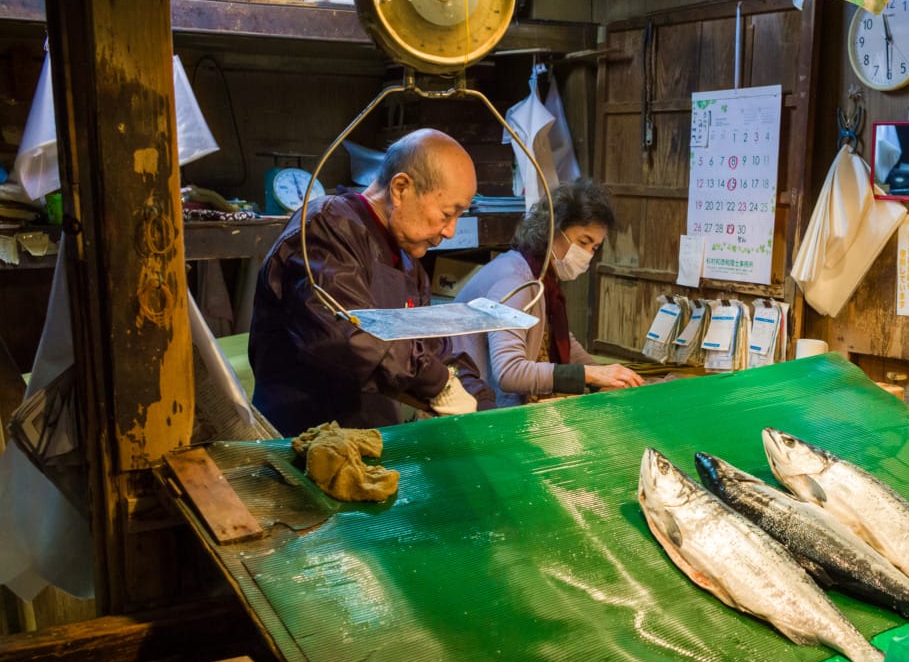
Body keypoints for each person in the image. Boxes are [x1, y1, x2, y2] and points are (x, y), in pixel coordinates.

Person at [248, 128, 495, 436]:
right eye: (447, 214)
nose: (450, 232)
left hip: (372, 440)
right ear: (401, 188)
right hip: (303, 443)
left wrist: (480, 402)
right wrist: (439, 382)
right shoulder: (326, 228)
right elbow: (346, 336)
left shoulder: (408, 262)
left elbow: (434, 346)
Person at [453, 179, 643, 408]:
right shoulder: (516, 281)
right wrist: (589, 375)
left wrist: (604, 376)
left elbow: (562, 340)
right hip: (471, 408)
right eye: (583, 241)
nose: (587, 255)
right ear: (553, 229)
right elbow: (509, 372)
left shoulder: (541, 278)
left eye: (594, 247)